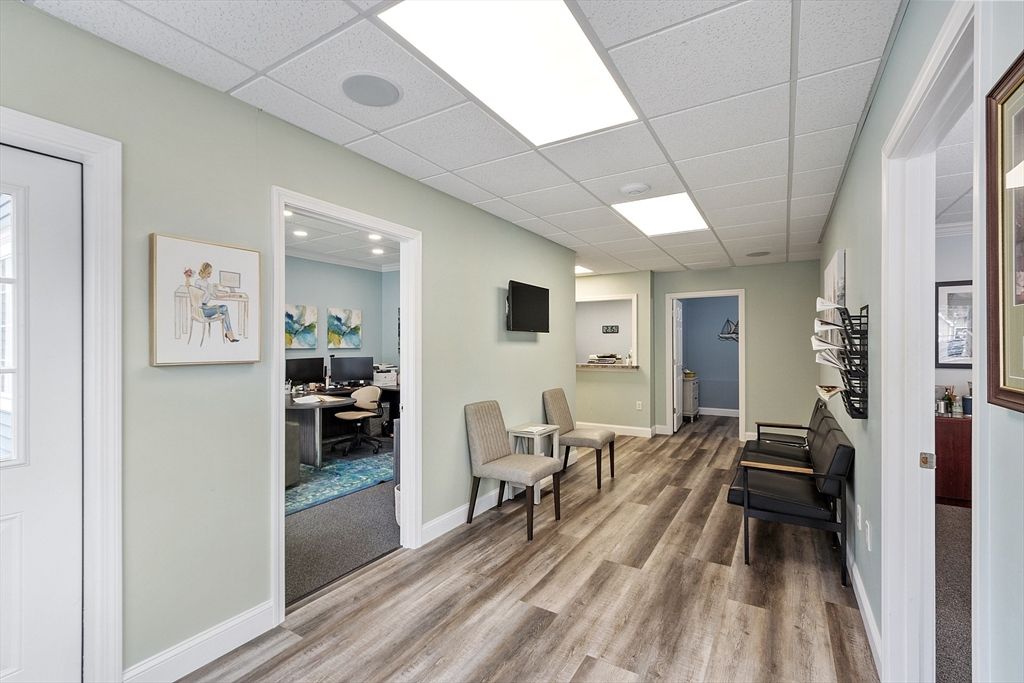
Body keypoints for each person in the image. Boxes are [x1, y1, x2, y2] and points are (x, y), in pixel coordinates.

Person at [194, 262, 239, 342]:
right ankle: (229, 334)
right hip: (202, 310)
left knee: (224, 308)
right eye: (208, 272)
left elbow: (215, 296)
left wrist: (227, 294)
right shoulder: (199, 282)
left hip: (205, 308)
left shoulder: (208, 284)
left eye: (210, 273)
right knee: (224, 308)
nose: (210, 275)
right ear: (204, 271)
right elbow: (197, 297)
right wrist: (209, 291)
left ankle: (229, 334)